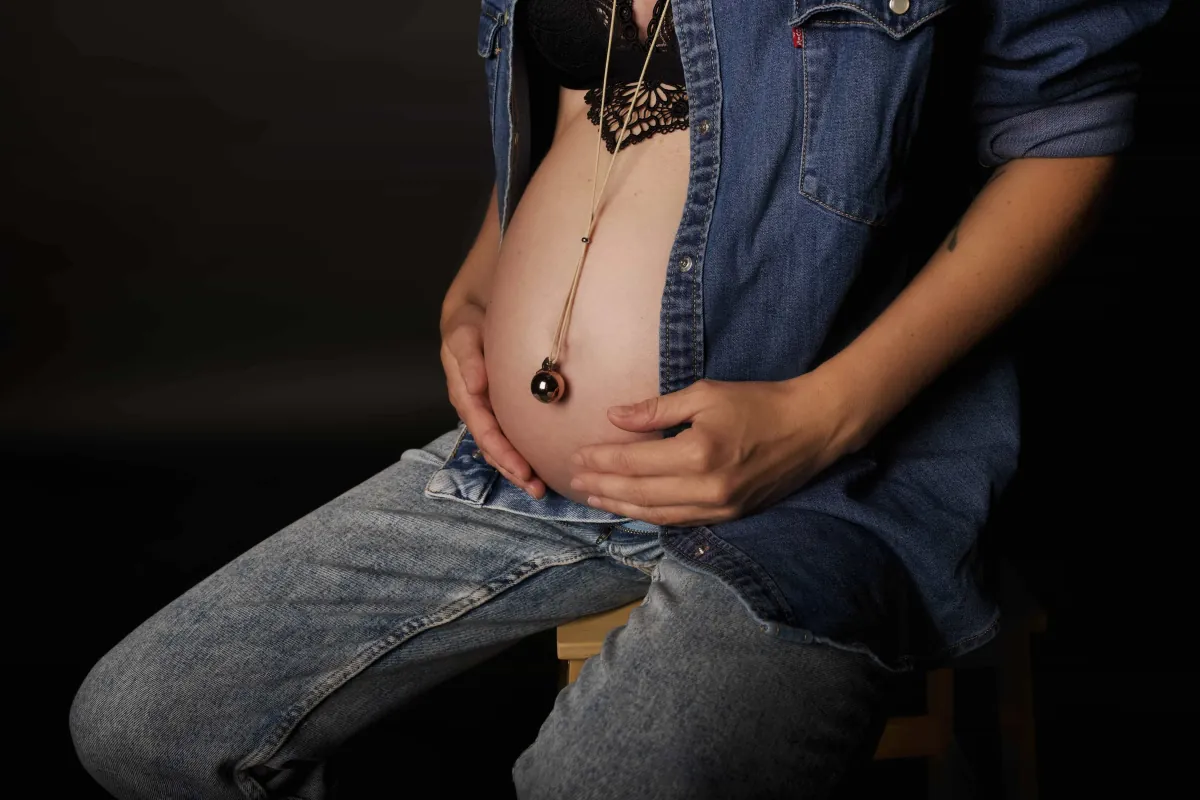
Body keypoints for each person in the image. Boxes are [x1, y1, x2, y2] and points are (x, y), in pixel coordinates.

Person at [69, 1, 1169, 797]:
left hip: (824, 485)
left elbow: (1064, 137)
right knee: (148, 725)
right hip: (529, 472)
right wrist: (484, 284)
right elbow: (592, 107)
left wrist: (824, 416)